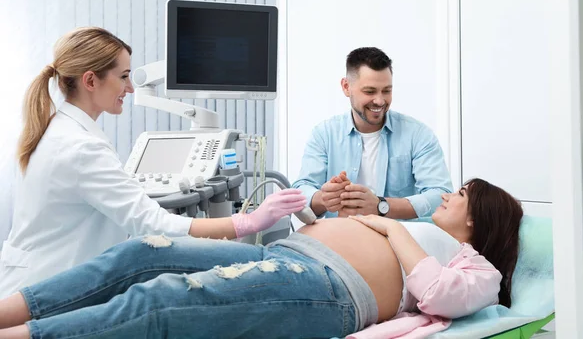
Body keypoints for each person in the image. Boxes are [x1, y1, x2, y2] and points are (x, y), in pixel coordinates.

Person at [0, 178, 523, 339]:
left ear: (478, 218)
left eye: (459, 194)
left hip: (329, 287)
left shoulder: (477, 268)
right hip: (289, 252)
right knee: (140, 253)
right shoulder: (420, 230)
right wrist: (318, 210)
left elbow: (438, 295)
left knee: (162, 301)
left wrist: (387, 224)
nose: (448, 196)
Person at [0, 27, 307, 298]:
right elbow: (151, 221)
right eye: (123, 77)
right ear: (90, 80)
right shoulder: (79, 146)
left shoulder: (58, 128)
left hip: (36, 280)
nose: (131, 88)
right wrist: (248, 222)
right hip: (46, 285)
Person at [292, 47, 453, 221]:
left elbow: (440, 196)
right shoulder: (324, 134)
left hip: (396, 244)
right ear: (346, 87)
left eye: (386, 91)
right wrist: (324, 198)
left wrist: (380, 206)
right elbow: (302, 191)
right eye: (369, 91)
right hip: (337, 241)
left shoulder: (418, 135)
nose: (379, 101)